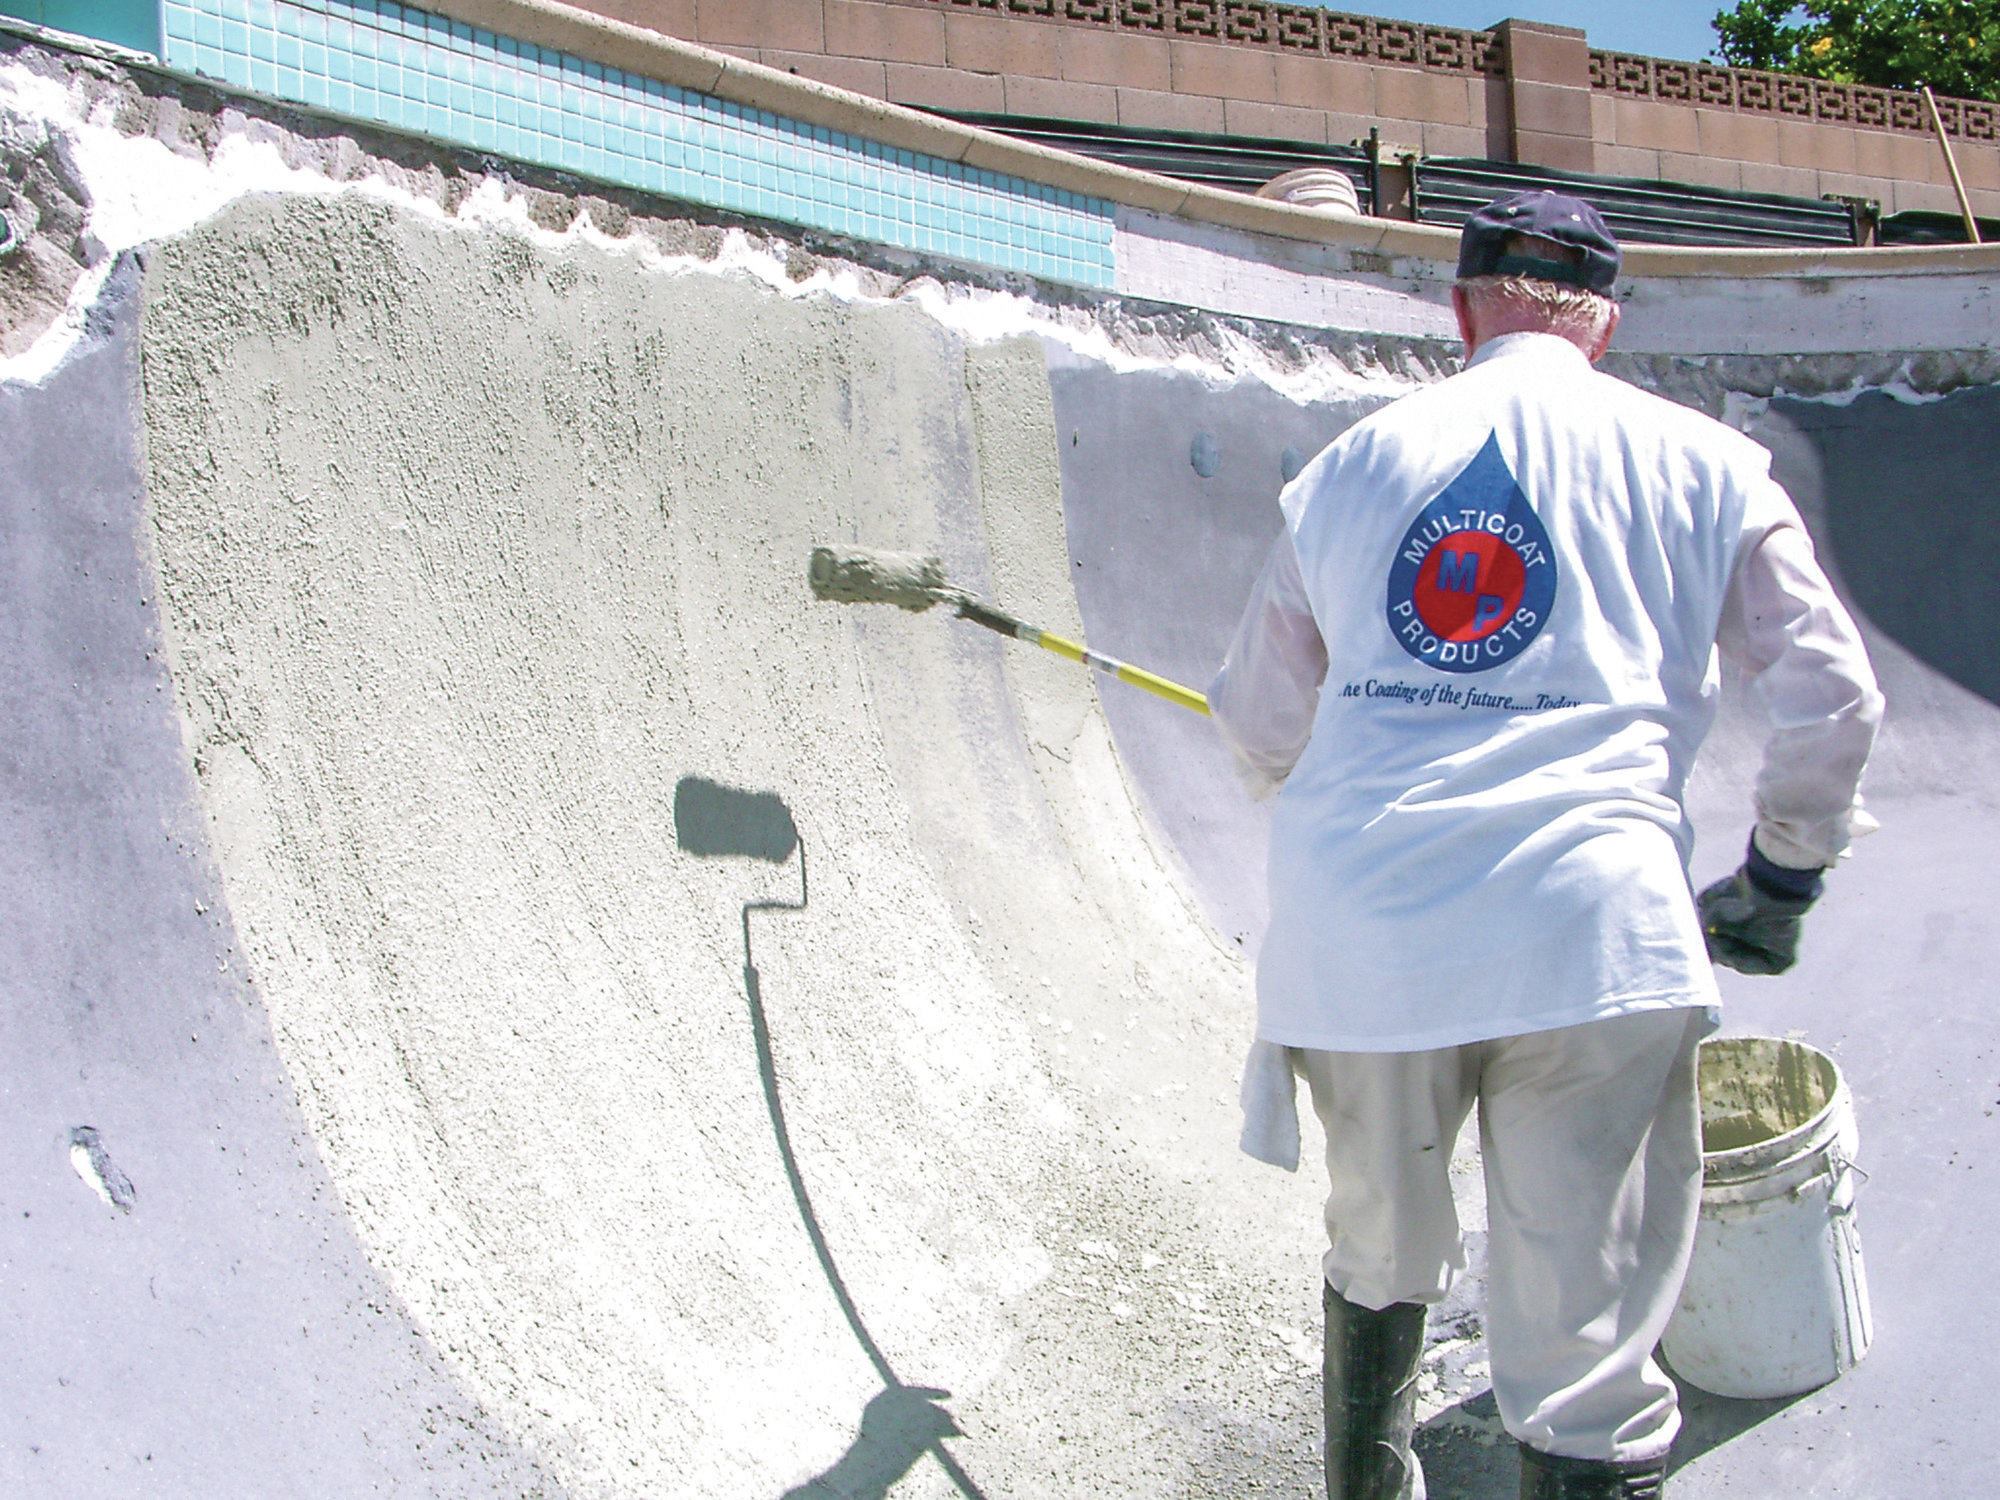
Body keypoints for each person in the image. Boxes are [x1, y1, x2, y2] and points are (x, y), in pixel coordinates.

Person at [1208, 190, 1882, 1499]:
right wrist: (1781, 876)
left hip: (1368, 945)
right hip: (1595, 935)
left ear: (1462, 309)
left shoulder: (1347, 469)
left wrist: (1341, 768)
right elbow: (1835, 697)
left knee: (1379, 1247)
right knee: (1584, 1348)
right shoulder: (1709, 465)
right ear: (1605, 324)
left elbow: (1254, 719)